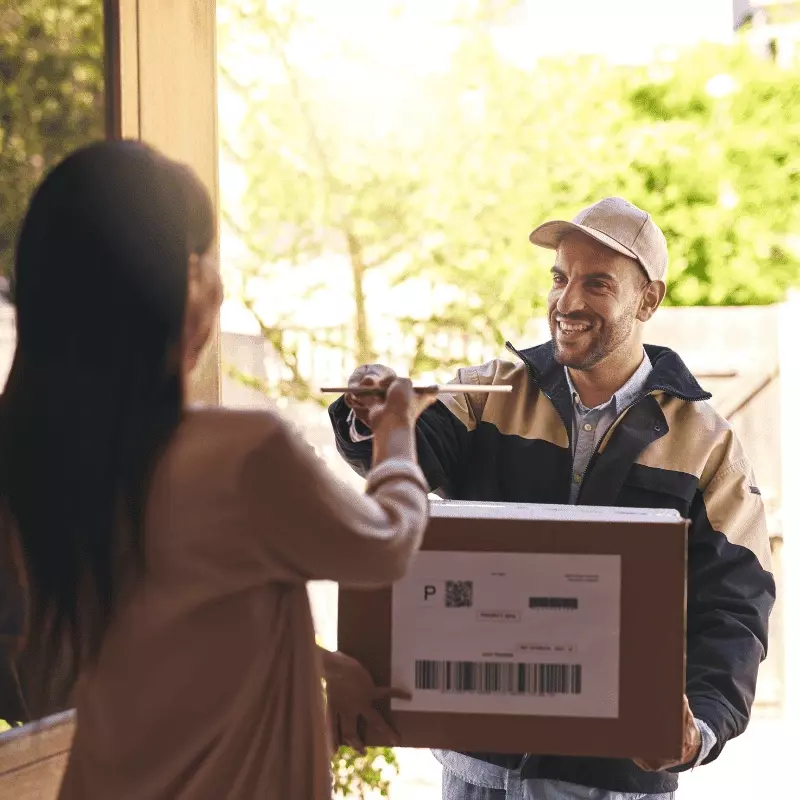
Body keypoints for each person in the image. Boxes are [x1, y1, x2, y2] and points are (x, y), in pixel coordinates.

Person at [0, 140, 434, 799]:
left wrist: (318, 664)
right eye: (205, 261)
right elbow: (389, 542)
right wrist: (397, 429)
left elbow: (162, 629)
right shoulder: (242, 457)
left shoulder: (30, 453)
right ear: (178, 286)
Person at [328, 197, 776, 799]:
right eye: (560, 278)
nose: (567, 302)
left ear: (649, 300)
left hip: (616, 781)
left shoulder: (706, 446)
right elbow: (401, 458)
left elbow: (736, 607)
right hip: (477, 775)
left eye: (597, 283)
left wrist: (700, 730)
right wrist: (373, 416)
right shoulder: (487, 395)